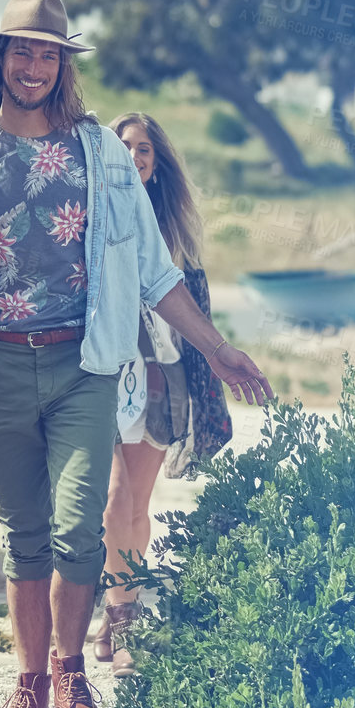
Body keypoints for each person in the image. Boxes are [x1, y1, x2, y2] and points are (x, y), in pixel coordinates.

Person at [0, 0, 273, 708]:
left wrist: (218, 349)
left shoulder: (99, 154)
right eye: (21, 51)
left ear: (63, 65)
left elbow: (157, 275)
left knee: (75, 531)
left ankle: (71, 677)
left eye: (47, 53)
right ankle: (27, 689)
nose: (32, 66)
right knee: (22, 535)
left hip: (83, 364)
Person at [91, 112, 234, 677]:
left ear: (157, 160)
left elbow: (185, 309)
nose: (134, 156)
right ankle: (117, 614)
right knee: (111, 503)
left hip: (160, 378)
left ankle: (119, 618)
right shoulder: (91, 210)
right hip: (101, 372)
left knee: (132, 502)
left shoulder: (170, 226)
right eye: (123, 146)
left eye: (144, 148)